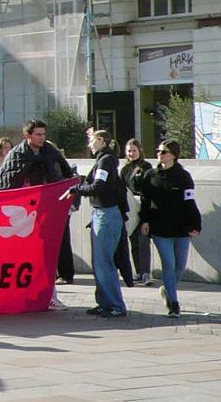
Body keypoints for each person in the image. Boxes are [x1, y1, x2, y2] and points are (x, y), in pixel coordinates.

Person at [0, 119, 76, 306]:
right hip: (23, 217)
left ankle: (49, 295)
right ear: (28, 135)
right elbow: (5, 182)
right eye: (38, 134)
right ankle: (18, 295)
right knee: (22, 256)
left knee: (46, 256)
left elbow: (63, 175)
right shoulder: (17, 155)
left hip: (46, 212)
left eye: (43, 134)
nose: (42, 138)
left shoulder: (50, 152)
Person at [133, 140, 201, 318]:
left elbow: (190, 201)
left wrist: (196, 224)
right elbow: (145, 201)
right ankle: (174, 303)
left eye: (164, 151)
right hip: (160, 228)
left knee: (180, 266)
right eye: (158, 150)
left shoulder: (183, 176)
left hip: (181, 228)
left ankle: (167, 289)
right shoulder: (151, 176)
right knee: (168, 265)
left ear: (174, 155)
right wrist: (145, 221)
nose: (160, 154)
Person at [66, 129, 126, 318]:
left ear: (101, 141)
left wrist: (76, 189)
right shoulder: (104, 160)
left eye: (91, 141)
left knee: (104, 262)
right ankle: (105, 303)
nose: (89, 145)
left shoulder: (105, 160)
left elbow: (97, 187)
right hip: (103, 214)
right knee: (99, 262)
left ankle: (115, 305)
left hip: (106, 214)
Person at [121, 139, 155, 287]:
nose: (131, 153)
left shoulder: (146, 167)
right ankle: (139, 272)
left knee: (143, 240)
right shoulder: (125, 169)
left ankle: (145, 272)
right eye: (129, 151)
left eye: (134, 150)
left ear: (140, 150)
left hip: (143, 207)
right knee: (133, 241)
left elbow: (149, 190)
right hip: (130, 208)